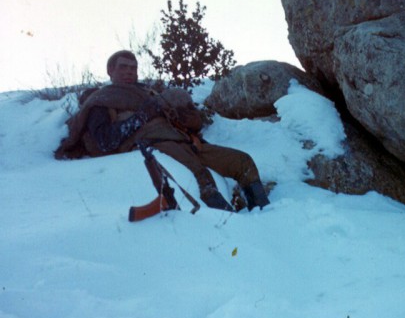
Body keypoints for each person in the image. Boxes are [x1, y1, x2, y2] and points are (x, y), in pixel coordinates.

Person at [55, 50, 270, 212]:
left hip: (184, 140)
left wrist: (188, 117)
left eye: (133, 67)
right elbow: (105, 142)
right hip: (154, 144)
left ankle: (264, 213)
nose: (130, 71)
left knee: (243, 162)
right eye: (123, 67)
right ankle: (232, 226)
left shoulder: (148, 93)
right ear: (110, 71)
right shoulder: (101, 99)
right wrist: (143, 115)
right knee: (201, 177)